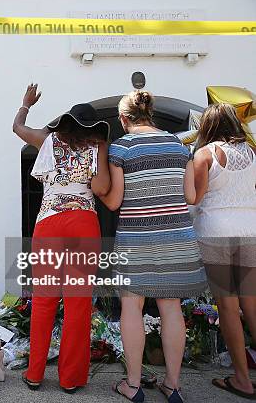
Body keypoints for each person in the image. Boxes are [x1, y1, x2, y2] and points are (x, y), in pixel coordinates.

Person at [99, 90, 207, 403]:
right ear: (151, 114)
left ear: (123, 119)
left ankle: (132, 385)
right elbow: (189, 196)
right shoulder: (178, 145)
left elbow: (115, 200)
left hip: (136, 237)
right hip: (177, 237)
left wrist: (99, 192)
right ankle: (173, 386)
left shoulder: (121, 146)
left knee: (131, 307)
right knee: (171, 308)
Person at [13, 84, 111, 393]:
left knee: (43, 300)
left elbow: (17, 128)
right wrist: (103, 148)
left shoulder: (49, 141)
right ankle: (70, 379)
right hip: (83, 224)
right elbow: (101, 190)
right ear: (95, 128)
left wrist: (26, 104)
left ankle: (35, 375)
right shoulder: (97, 146)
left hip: (49, 223)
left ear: (65, 122)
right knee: (78, 304)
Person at [192, 103, 256, 400]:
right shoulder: (254, 152)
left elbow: (195, 198)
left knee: (228, 308)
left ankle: (243, 380)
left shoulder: (204, 155)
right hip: (250, 231)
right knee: (252, 305)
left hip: (216, 232)